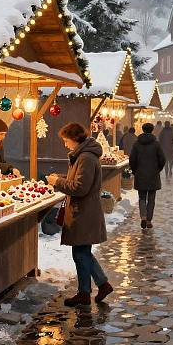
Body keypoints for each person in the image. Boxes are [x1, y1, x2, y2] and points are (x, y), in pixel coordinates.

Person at [46, 123, 112, 307]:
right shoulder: (82, 156)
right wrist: (59, 177)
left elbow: (80, 187)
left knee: (81, 252)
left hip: (84, 212)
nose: (65, 145)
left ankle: (86, 291)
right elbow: (78, 180)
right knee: (82, 252)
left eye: (66, 141)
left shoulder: (86, 158)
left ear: (75, 139)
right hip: (83, 211)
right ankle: (99, 285)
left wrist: (58, 181)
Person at [129, 123, 166, 229]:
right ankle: (149, 220)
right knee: (151, 199)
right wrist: (157, 169)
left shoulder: (137, 144)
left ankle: (143, 217)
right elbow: (162, 159)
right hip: (153, 175)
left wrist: (135, 170)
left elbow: (132, 160)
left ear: (143, 130)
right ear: (152, 130)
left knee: (141, 197)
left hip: (140, 174)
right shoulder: (156, 144)